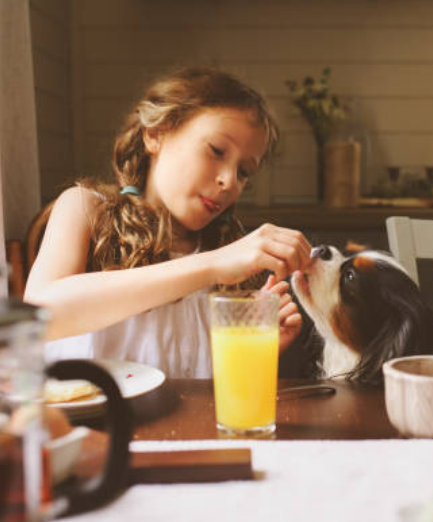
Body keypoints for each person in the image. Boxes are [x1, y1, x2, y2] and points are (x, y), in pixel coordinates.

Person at [24, 67, 312, 378]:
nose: (229, 181)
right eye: (216, 151)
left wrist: (257, 351)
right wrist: (212, 265)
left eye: (244, 172)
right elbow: (39, 316)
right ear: (155, 134)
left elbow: (209, 392)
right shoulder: (87, 209)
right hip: (96, 426)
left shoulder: (232, 262)